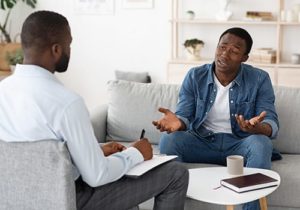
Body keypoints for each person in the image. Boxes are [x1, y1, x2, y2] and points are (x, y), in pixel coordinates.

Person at [0, 11, 189, 210]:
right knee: (175, 173)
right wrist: (136, 153)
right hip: (68, 200)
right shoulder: (67, 103)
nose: (70, 51)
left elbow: (35, 159)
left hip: (15, 201)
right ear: (56, 49)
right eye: (69, 44)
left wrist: (94, 150)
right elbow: (96, 176)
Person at [153, 27, 279, 210]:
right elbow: (184, 115)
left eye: (234, 51)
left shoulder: (259, 78)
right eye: (222, 47)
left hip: (240, 144)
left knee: (261, 144)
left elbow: (271, 122)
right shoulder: (195, 76)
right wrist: (179, 123)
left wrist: (257, 128)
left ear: (244, 58)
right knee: (169, 140)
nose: (224, 54)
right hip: (202, 141)